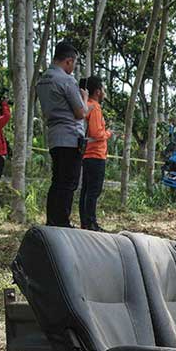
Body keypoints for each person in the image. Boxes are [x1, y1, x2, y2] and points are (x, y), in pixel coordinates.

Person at [36, 42, 90, 227]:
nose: (73, 67)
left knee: (57, 180)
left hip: (54, 136)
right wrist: (84, 97)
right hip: (70, 137)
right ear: (68, 61)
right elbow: (80, 112)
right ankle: (62, 222)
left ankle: (52, 220)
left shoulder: (42, 80)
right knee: (69, 182)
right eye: (73, 63)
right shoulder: (66, 80)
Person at [79, 76, 111, 231]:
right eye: (103, 90)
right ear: (98, 91)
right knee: (93, 191)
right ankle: (91, 223)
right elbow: (97, 133)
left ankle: (85, 222)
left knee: (86, 190)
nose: (104, 92)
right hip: (96, 155)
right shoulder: (95, 107)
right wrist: (108, 133)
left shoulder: (86, 106)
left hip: (86, 154)